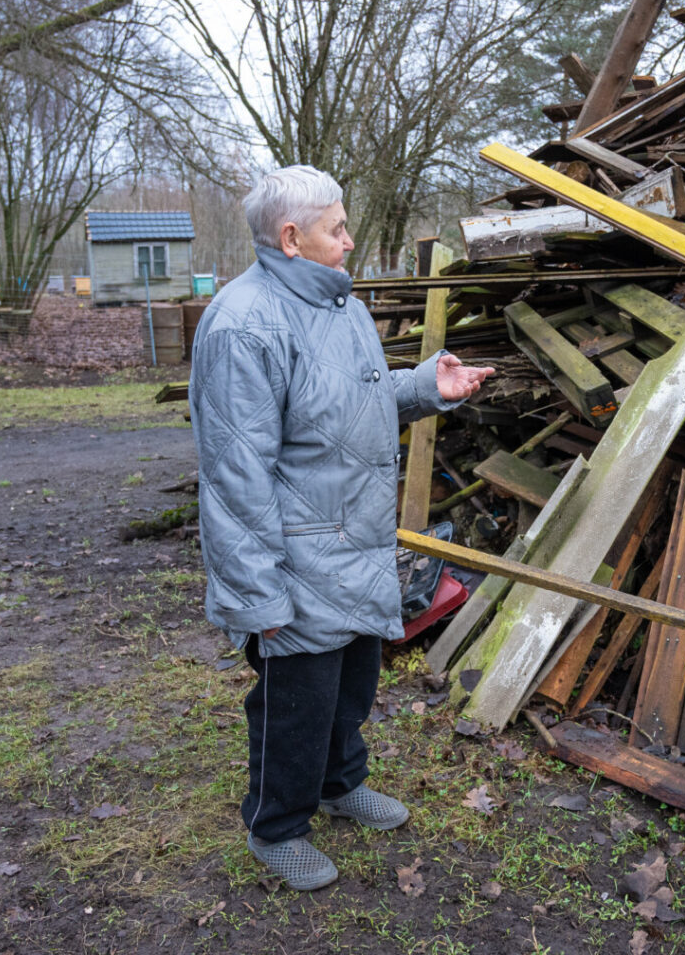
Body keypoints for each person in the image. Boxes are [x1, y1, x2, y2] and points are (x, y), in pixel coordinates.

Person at [188, 165, 493, 890]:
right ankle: (276, 825)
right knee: (296, 704)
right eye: (337, 228)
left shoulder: (340, 307)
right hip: (293, 559)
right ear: (291, 238)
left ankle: (337, 783)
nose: (351, 241)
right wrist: (256, 598)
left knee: (350, 686)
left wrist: (425, 388)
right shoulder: (241, 326)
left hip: (355, 541)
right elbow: (235, 476)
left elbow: (352, 406)